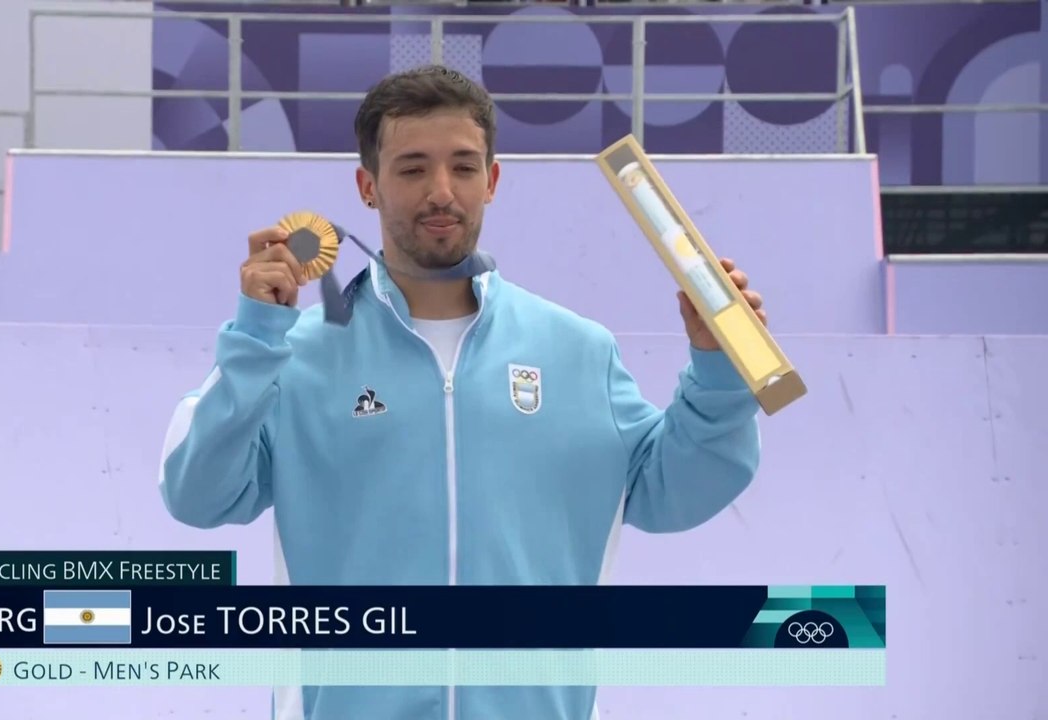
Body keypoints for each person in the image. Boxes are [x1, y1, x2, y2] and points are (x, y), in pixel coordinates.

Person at [160, 65, 765, 720]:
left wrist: (717, 366)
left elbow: (675, 489)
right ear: (368, 186)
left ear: (493, 181)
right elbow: (197, 495)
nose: (440, 192)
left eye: (464, 167)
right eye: (413, 168)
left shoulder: (578, 351)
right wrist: (255, 340)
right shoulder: (296, 357)